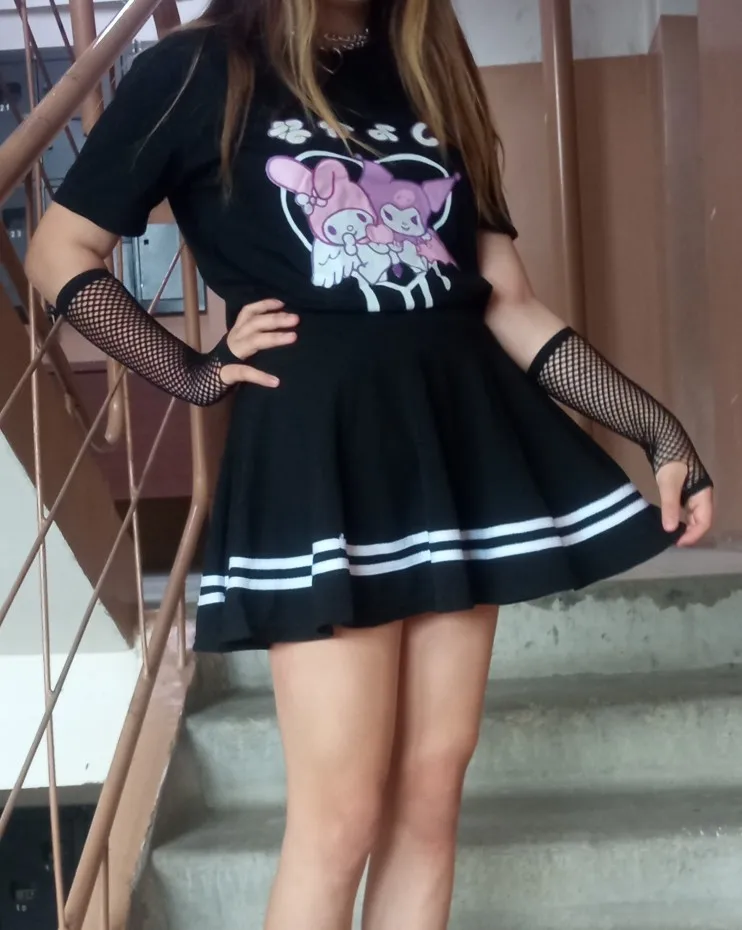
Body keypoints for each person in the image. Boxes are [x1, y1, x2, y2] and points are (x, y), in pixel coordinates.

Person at [26, 0, 714, 927]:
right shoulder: (198, 70)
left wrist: (656, 429)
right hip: (316, 461)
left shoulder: (429, 61)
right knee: (339, 816)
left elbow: (507, 298)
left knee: (432, 792)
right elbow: (58, 250)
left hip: (453, 447)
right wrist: (189, 373)